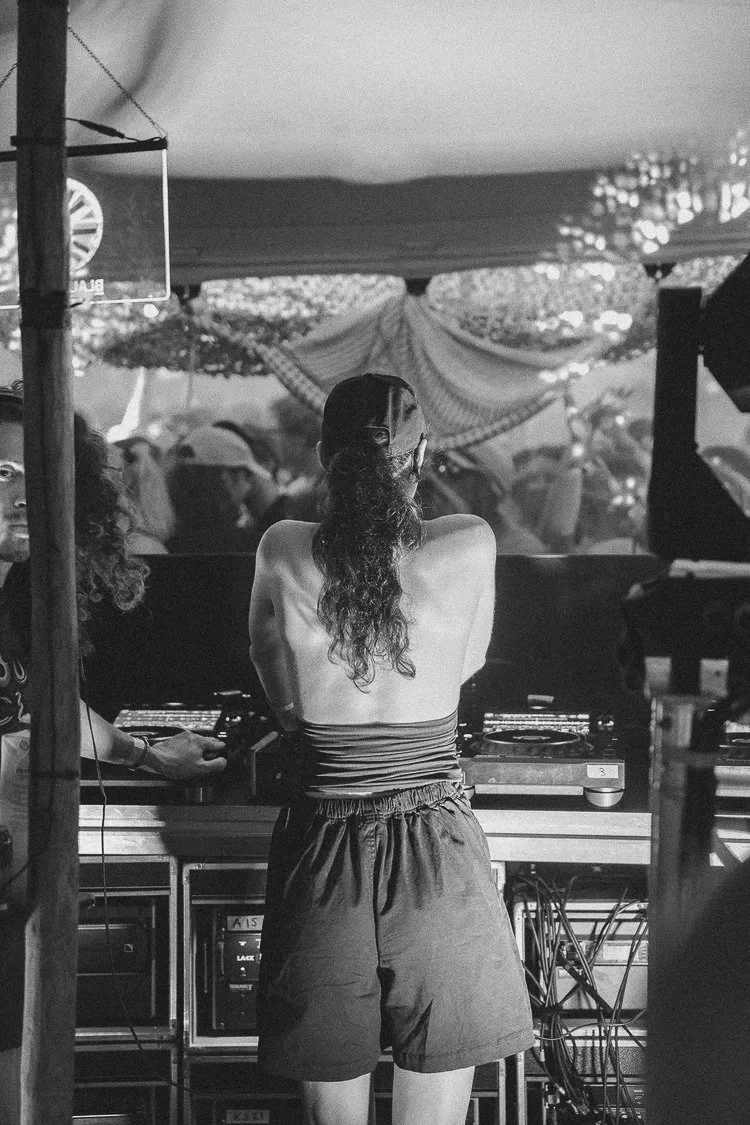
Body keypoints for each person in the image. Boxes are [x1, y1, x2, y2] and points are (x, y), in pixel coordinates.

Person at [248, 373, 533, 1125]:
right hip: (435, 845)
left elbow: (278, 684)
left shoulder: (282, 548)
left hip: (321, 845)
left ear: (323, 456)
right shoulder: (469, 542)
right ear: (422, 455)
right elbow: (469, 662)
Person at [0, 384, 225, 1125]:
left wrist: (150, 757)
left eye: (37, 474)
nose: (23, 495)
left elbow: (49, 711)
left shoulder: (15, 595)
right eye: (1, 474)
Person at [167, 424, 278, 553]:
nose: (250, 486)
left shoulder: (164, 545)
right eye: (247, 475)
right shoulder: (252, 549)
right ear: (227, 478)